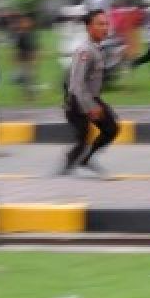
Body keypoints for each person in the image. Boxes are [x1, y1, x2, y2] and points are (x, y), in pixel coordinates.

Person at [60, 10, 119, 179]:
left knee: (111, 128)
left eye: (106, 24)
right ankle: (70, 167)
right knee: (84, 138)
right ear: (88, 27)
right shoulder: (84, 51)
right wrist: (90, 107)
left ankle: (80, 162)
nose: (105, 28)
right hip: (78, 102)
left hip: (90, 98)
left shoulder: (96, 48)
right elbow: (77, 84)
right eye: (100, 24)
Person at [12, 13, 39, 101]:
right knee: (26, 77)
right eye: (24, 22)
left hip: (29, 58)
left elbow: (34, 47)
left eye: (28, 22)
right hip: (23, 58)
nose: (27, 23)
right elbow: (17, 48)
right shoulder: (20, 34)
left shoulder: (30, 34)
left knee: (30, 77)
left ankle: (29, 95)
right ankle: (28, 95)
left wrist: (35, 57)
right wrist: (16, 59)